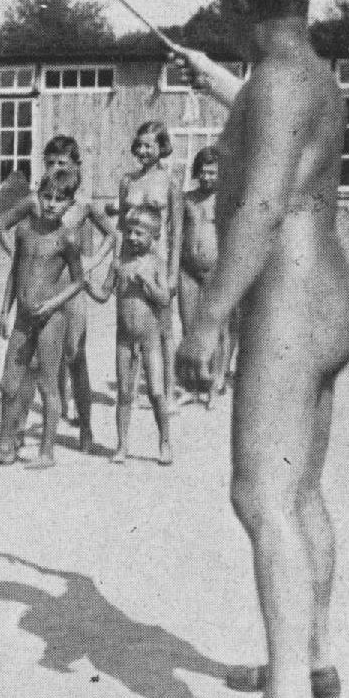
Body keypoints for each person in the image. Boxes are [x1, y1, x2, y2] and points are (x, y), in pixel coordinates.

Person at [175, 0, 347, 698]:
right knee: (302, 489)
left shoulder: (275, 85)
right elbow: (278, 133)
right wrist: (219, 83)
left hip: (286, 301)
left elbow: (263, 204)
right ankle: (310, 657)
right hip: (329, 296)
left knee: (259, 495)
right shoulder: (312, 75)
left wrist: (209, 315)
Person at [0, 136, 114, 451]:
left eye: (63, 163)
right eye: (50, 162)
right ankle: (18, 430)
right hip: (40, 291)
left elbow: (113, 235)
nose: (56, 167)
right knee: (30, 362)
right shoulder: (37, 201)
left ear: (76, 166)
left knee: (75, 356)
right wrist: (15, 257)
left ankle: (85, 427)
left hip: (71, 290)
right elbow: (1, 227)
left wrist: (92, 262)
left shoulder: (82, 204)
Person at [0, 169, 89, 469]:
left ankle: (47, 451)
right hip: (24, 317)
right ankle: (5, 447)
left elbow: (79, 281)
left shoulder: (67, 238)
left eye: (59, 200)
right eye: (46, 197)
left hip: (51, 319)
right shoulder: (24, 231)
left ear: (69, 204)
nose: (51, 204)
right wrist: (4, 310)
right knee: (8, 384)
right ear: (37, 196)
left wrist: (52, 303)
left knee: (48, 385)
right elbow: (15, 271)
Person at [87, 206, 173, 466]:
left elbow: (164, 299)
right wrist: (85, 284)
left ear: (154, 236)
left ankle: (165, 441)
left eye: (140, 233)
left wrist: (148, 283)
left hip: (150, 340)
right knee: (124, 393)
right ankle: (122, 444)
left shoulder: (157, 264)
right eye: (129, 232)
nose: (133, 237)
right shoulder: (119, 264)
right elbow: (104, 295)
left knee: (156, 392)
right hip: (124, 340)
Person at [117, 121, 183, 408]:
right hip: (131, 260)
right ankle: (129, 391)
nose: (143, 151)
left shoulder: (170, 182)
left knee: (164, 329)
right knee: (130, 325)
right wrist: (118, 264)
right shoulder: (127, 181)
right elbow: (121, 227)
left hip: (159, 262)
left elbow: (177, 232)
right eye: (140, 145)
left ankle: (168, 392)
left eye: (149, 146)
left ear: (162, 147)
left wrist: (173, 274)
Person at [178, 146, 235, 406]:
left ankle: (216, 381)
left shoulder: (227, 200)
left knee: (218, 329)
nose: (207, 177)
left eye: (213, 173)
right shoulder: (187, 199)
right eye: (203, 172)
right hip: (187, 270)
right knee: (189, 327)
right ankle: (192, 385)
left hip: (216, 270)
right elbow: (176, 233)